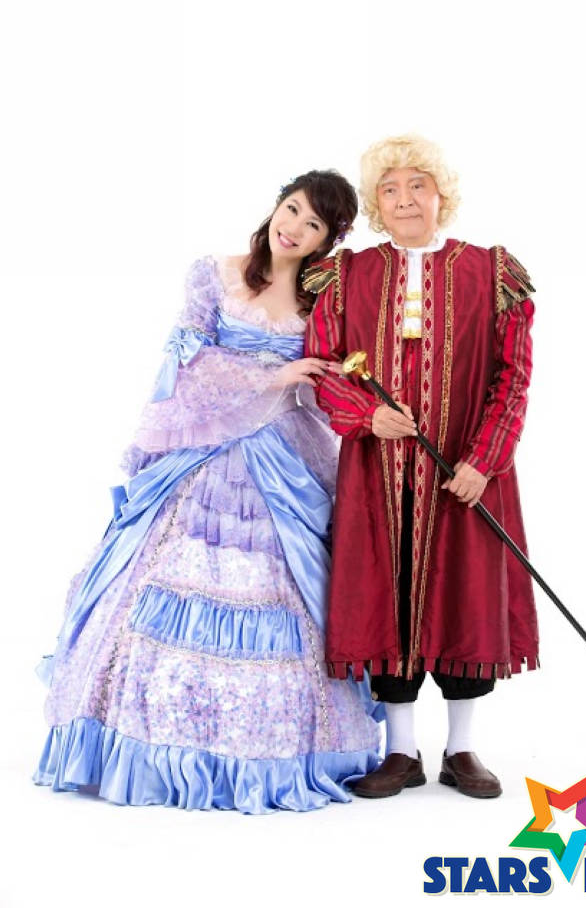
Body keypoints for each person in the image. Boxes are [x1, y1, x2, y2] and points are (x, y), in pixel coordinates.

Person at [34, 170, 381, 814]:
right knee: (150, 576)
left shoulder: (322, 303)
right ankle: (139, 744)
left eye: (313, 224)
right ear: (276, 206)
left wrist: (321, 387)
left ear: (327, 241)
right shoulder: (215, 275)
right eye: (292, 210)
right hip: (205, 452)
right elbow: (183, 361)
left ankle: (278, 751)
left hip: (279, 461)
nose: (294, 228)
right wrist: (276, 373)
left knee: (291, 588)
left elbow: (326, 383)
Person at [304, 135, 538, 799]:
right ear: (376, 203)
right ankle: (400, 751)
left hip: (462, 471)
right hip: (376, 472)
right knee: (385, 593)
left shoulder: (491, 272)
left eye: (417, 185)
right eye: (389, 189)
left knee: (464, 595)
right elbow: (323, 367)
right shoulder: (346, 275)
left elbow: (513, 377)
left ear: (441, 194)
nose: (404, 199)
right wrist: (366, 415)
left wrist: (484, 461)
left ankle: (461, 749)